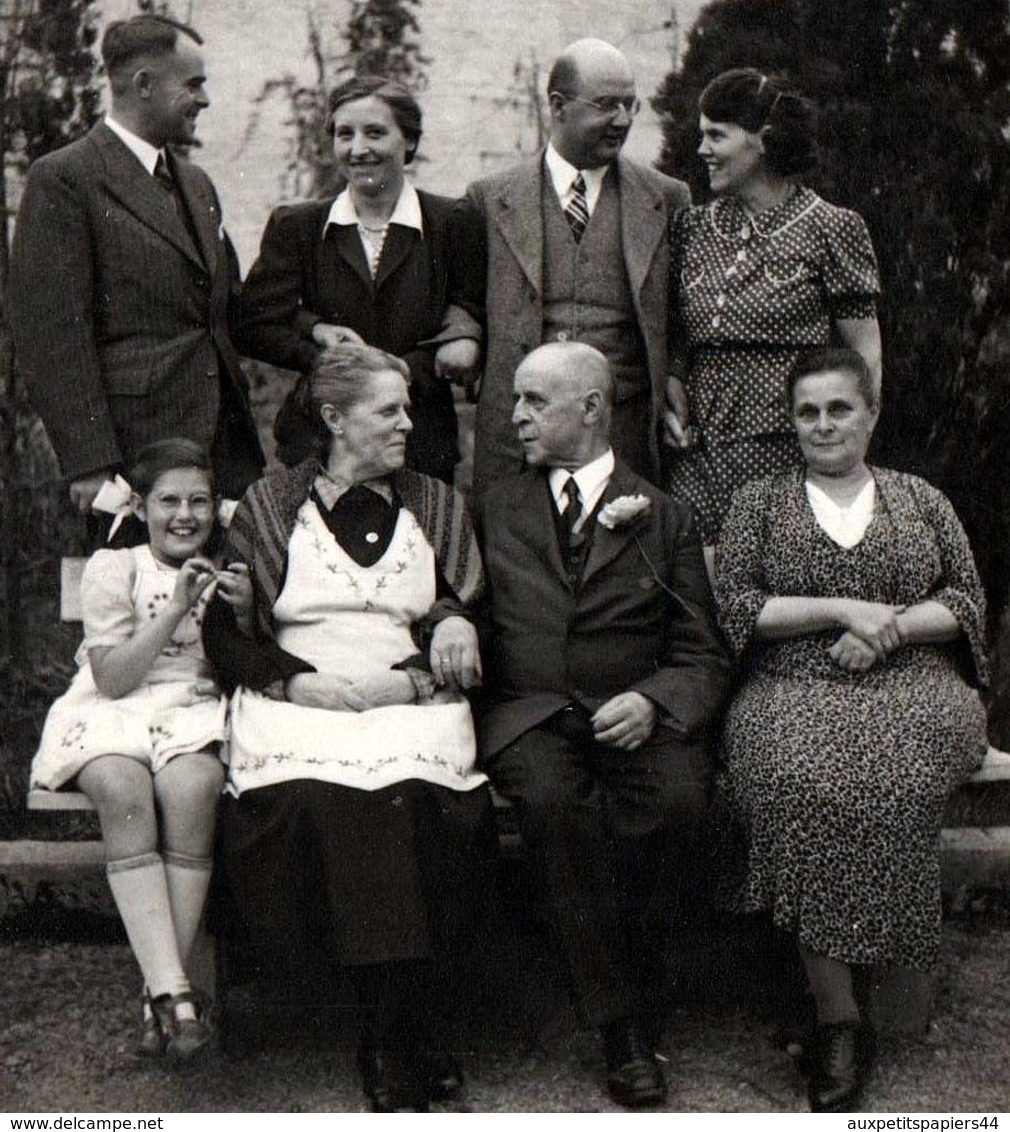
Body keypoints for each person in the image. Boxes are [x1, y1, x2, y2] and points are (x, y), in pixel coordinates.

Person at [202, 345, 493, 1111]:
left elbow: (468, 605)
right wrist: (298, 681)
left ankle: (399, 1028)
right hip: (299, 699)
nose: (408, 422)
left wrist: (440, 644)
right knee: (329, 804)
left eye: (406, 408)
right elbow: (224, 635)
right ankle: (393, 1031)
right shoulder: (269, 509)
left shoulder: (435, 504)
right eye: (388, 410)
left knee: (420, 801)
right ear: (333, 418)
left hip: (408, 695)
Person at [714, 348, 988, 1112]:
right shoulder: (759, 503)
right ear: (792, 423)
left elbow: (965, 602)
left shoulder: (919, 498)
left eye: (839, 408)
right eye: (808, 411)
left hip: (917, 682)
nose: (824, 424)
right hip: (792, 681)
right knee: (803, 774)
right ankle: (839, 1017)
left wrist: (888, 631)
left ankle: (881, 989)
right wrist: (842, 610)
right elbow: (738, 607)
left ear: (870, 414)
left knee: (889, 776)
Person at [474, 341, 730, 1108]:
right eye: (515, 400)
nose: (515, 415)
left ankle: (641, 989)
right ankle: (625, 1031)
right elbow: (462, 600)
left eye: (534, 401)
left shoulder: (665, 515)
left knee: (679, 801)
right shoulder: (494, 505)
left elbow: (702, 649)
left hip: (634, 716)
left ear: (591, 408)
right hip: (532, 713)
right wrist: (454, 621)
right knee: (555, 807)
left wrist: (654, 700)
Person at [30, 439, 251, 1060]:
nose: (185, 516)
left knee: (194, 788)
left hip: (191, 710)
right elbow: (114, 678)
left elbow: (239, 660)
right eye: (169, 501)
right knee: (125, 792)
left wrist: (246, 611)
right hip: (114, 705)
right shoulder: (115, 568)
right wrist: (178, 606)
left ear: (217, 507)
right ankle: (177, 989)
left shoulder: (230, 570)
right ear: (141, 506)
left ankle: (163, 995)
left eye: (199, 502)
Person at [9, 14, 264, 531]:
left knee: (220, 608)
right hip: (130, 464)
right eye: (193, 84)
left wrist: (317, 337)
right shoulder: (66, 179)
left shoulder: (196, 185)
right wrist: (89, 463)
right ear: (144, 84)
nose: (205, 100)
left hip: (220, 455)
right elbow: (50, 333)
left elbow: (229, 309)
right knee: (129, 606)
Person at [450, 38, 691, 496]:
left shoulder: (667, 198)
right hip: (519, 436)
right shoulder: (488, 199)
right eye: (606, 105)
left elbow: (683, 311)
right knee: (519, 559)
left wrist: (675, 372)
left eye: (629, 105)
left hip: (624, 436)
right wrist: (462, 338)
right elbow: (464, 302)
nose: (621, 120)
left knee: (623, 559)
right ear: (558, 106)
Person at [665, 68, 882, 565]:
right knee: (698, 600)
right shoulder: (692, 228)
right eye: (702, 135)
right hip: (697, 455)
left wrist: (845, 449)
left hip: (788, 453)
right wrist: (673, 381)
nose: (703, 150)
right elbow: (676, 330)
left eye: (716, 135)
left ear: (762, 141)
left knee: (773, 596)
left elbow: (864, 355)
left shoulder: (832, 228)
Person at [237, 75, 480, 483]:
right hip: (321, 439)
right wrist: (317, 338)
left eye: (375, 133)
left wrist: (404, 369)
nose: (358, 149)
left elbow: (473, 308)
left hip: (419, 437)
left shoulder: (452, 222)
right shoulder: (298, 226)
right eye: (345, 134)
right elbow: (252, 323)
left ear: (410, 142)